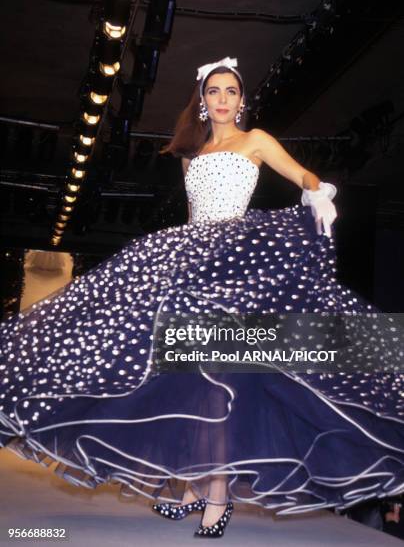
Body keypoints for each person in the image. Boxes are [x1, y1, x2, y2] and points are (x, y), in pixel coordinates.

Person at [0, 56, 403, 540]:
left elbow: (304, 177)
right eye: (214, 91)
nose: (223, 99)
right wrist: (176, 268)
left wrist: (318, 196)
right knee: (187, 372)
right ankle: (192, 488)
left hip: (238, 264)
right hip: (192, 262)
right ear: (203, 101)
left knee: (221, 375)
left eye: (231, 91)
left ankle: (218, 493)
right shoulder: (192, 154)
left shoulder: (257, 141)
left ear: (242, 99)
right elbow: (195, 218)